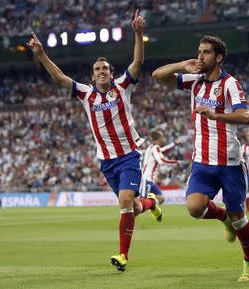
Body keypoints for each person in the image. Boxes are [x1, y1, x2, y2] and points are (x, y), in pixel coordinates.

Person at [27, 10, 162, 272]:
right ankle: (151, 203)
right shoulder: (86, 94)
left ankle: (123, 255)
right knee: (132, 207)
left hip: (129, 156)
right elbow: (59, 77)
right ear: (92, 76)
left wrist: (138, 32)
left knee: (124, 203)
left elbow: (137, 62)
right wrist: (41, 54)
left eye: (105, 69)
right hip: (107, 162)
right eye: (97, 69)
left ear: (111, 74)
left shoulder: (123, 86)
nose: (101, 72)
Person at [152, 35, 249, 282]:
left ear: (218, 57)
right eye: (199, 52)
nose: (201, 56)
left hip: (229, 162)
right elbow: (157, 76)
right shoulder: (194, 81)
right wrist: (182, 64)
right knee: (195, 208)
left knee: (239, 219)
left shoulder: (230, 84)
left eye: (206, 53)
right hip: (202, 161)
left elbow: (245, 117)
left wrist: (215, 115)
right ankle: (222, 219)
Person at [141, 129, 181, 204]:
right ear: (159, 138)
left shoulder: (151, 147)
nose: (164, 139)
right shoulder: (155, 148)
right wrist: (175, 162)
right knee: (142, 201)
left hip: (149, 179)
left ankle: (154, 211)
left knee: (160, 198)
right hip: (147, 179)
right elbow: (161, 161)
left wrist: (175, 143)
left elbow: (164, 150)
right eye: (162, 137)